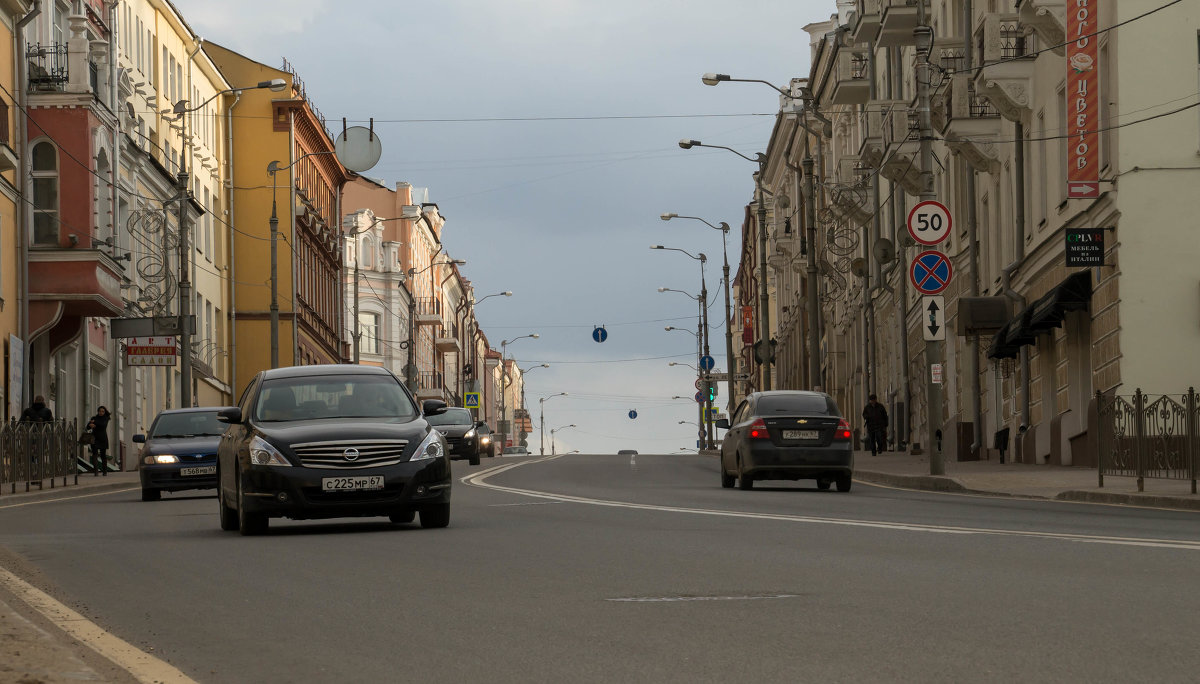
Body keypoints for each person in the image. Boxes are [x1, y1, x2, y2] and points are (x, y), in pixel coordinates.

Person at [87, 406, 111, 476]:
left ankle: (104, 471)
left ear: (104, 412)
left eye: (103, 411)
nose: (101, 412)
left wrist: (95, 423)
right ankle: (96, 471)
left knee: (103, 455)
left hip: (103, 438)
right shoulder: (94, 418)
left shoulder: (105, 418)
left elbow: (103, 425)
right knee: (94, 454)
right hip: (94, 438)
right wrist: (90, 424)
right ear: (98, 411)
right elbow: (87, 427)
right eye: (100, 411)